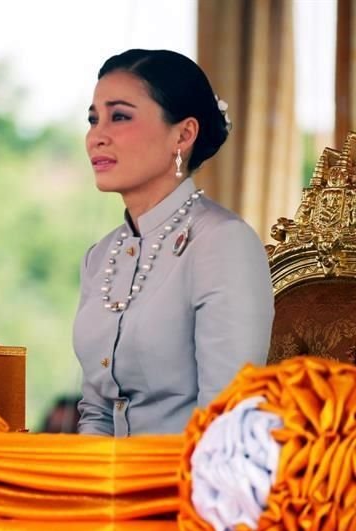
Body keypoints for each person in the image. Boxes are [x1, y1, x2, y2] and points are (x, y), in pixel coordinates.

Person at [73, 49, 274, 436]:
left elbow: (224, 420)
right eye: (93, 119)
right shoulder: (100, 258)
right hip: (108, 486)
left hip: (188, 485)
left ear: (183, 135)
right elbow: (95, 413)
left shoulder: (223, 244)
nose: (97, 136)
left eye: (119, 117)